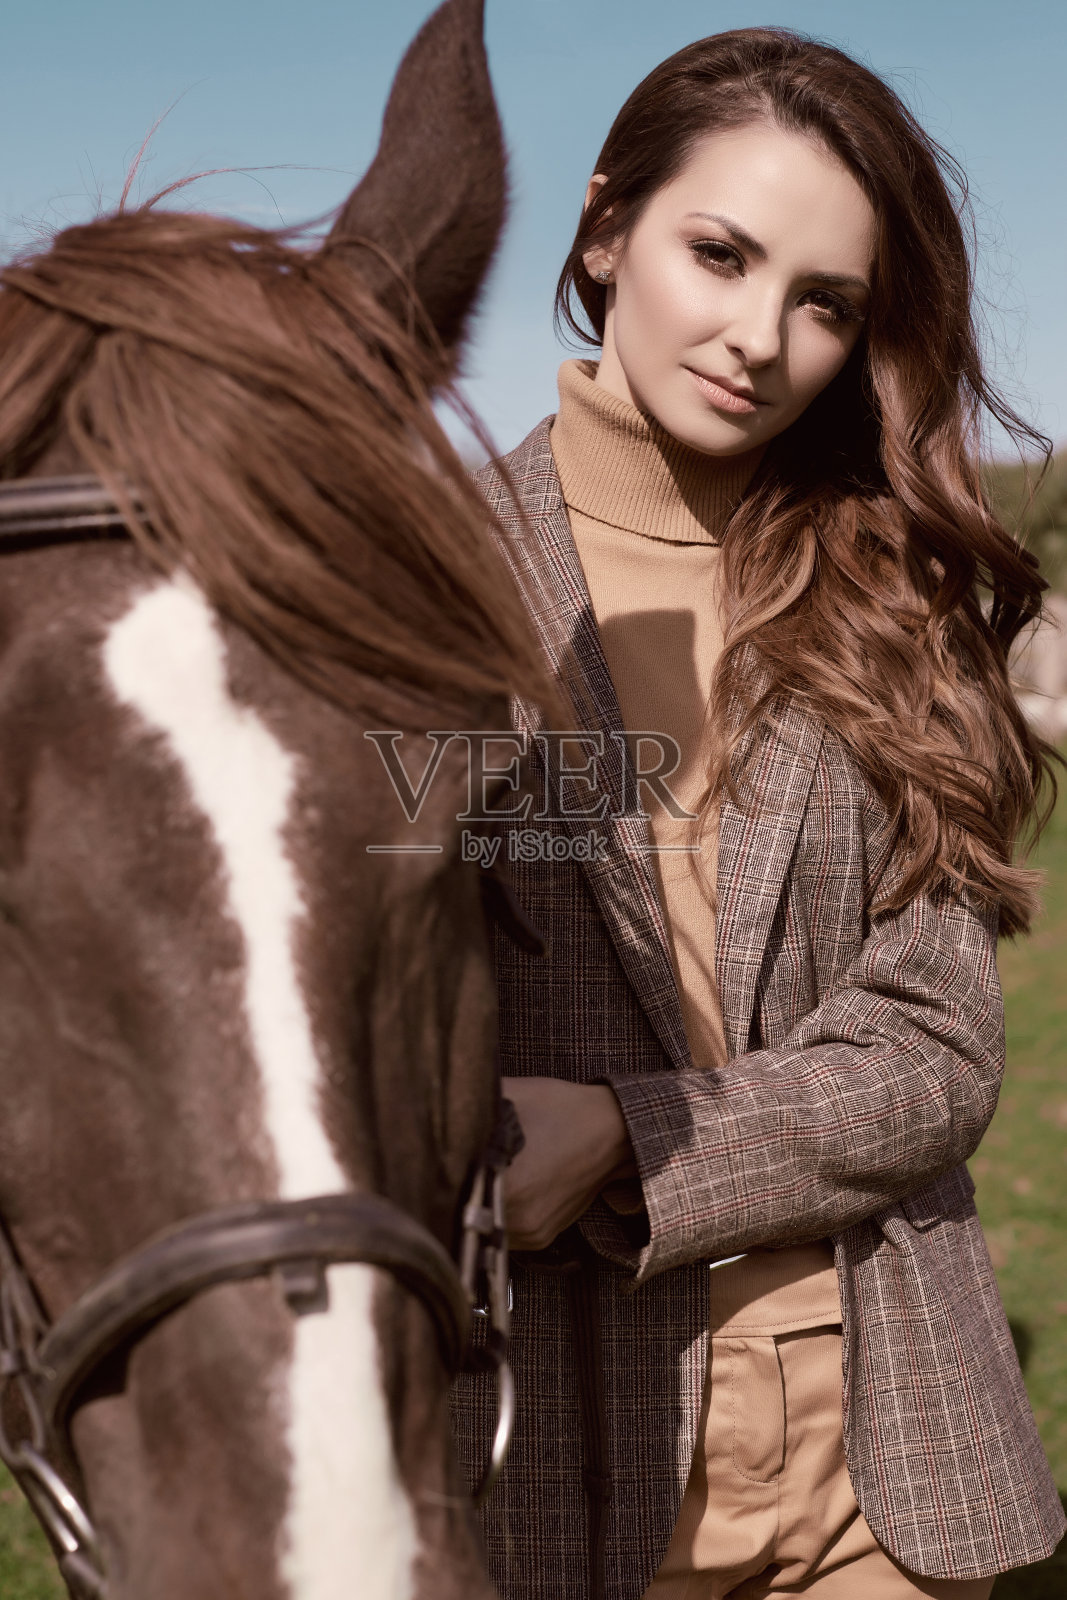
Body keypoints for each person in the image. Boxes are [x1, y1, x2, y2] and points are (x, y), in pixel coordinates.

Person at [450, 27, 1065, 1600]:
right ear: (605, 229)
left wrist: (638, 1140)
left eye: (824, 303)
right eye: (716, 254)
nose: (757, 338)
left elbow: (936, 1051)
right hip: (551, 1459)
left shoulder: (890, 602)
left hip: (887, 1449)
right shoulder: (421, 586)